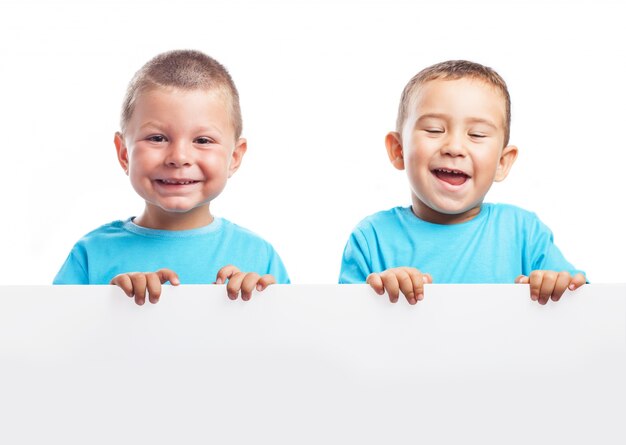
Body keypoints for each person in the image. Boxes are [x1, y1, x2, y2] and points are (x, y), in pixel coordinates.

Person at [339, 60, 585, 305]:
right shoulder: (371, 239)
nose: (454, 148)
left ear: (502, 162)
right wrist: (380, 295)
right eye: (434, 130)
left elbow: (589, 308)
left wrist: (557, 286)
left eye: (477, 134)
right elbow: (341, 326)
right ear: (399, 150)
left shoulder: (525, 233)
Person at [54, 50, 289, 305]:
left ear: (234, 157)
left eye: (202, 140)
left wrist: (260, 307)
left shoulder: (260, 258)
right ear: (124, 154)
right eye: (157, 138)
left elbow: (291, 338)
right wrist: (111, 304)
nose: (179, 157)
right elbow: (55, 336)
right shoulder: (90, 254)